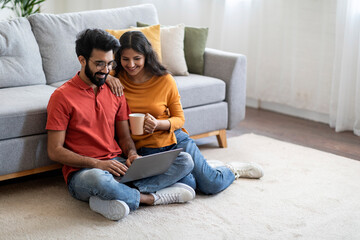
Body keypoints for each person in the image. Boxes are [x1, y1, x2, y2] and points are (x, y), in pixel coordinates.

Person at [46, 29, 196, 221]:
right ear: (82, 60)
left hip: (118, 164)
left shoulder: (115, 90)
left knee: (185, 161)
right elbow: (55, 151)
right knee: (99, 179)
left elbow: (125, 137)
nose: (105, 70)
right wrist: (97, 164)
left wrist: (132, 154)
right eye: (99, 64)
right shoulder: (62, 97)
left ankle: (112, 197)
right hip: (84, 172)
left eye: (110, 64)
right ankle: (149, 198)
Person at [106, 31, 264, 196]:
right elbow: (96, 76)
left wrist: (159, 124)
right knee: (190, 183)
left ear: (146, 56)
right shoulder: (116, 79)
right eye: (125, 59)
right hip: (144, 149)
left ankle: (231, 169)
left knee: (211, 185)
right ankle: (204, 167)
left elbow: (179, 119)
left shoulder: (164, 80)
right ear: (119, 58)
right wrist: (109, 78)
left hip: (174, 140)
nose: (131, 64)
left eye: (136, 58)